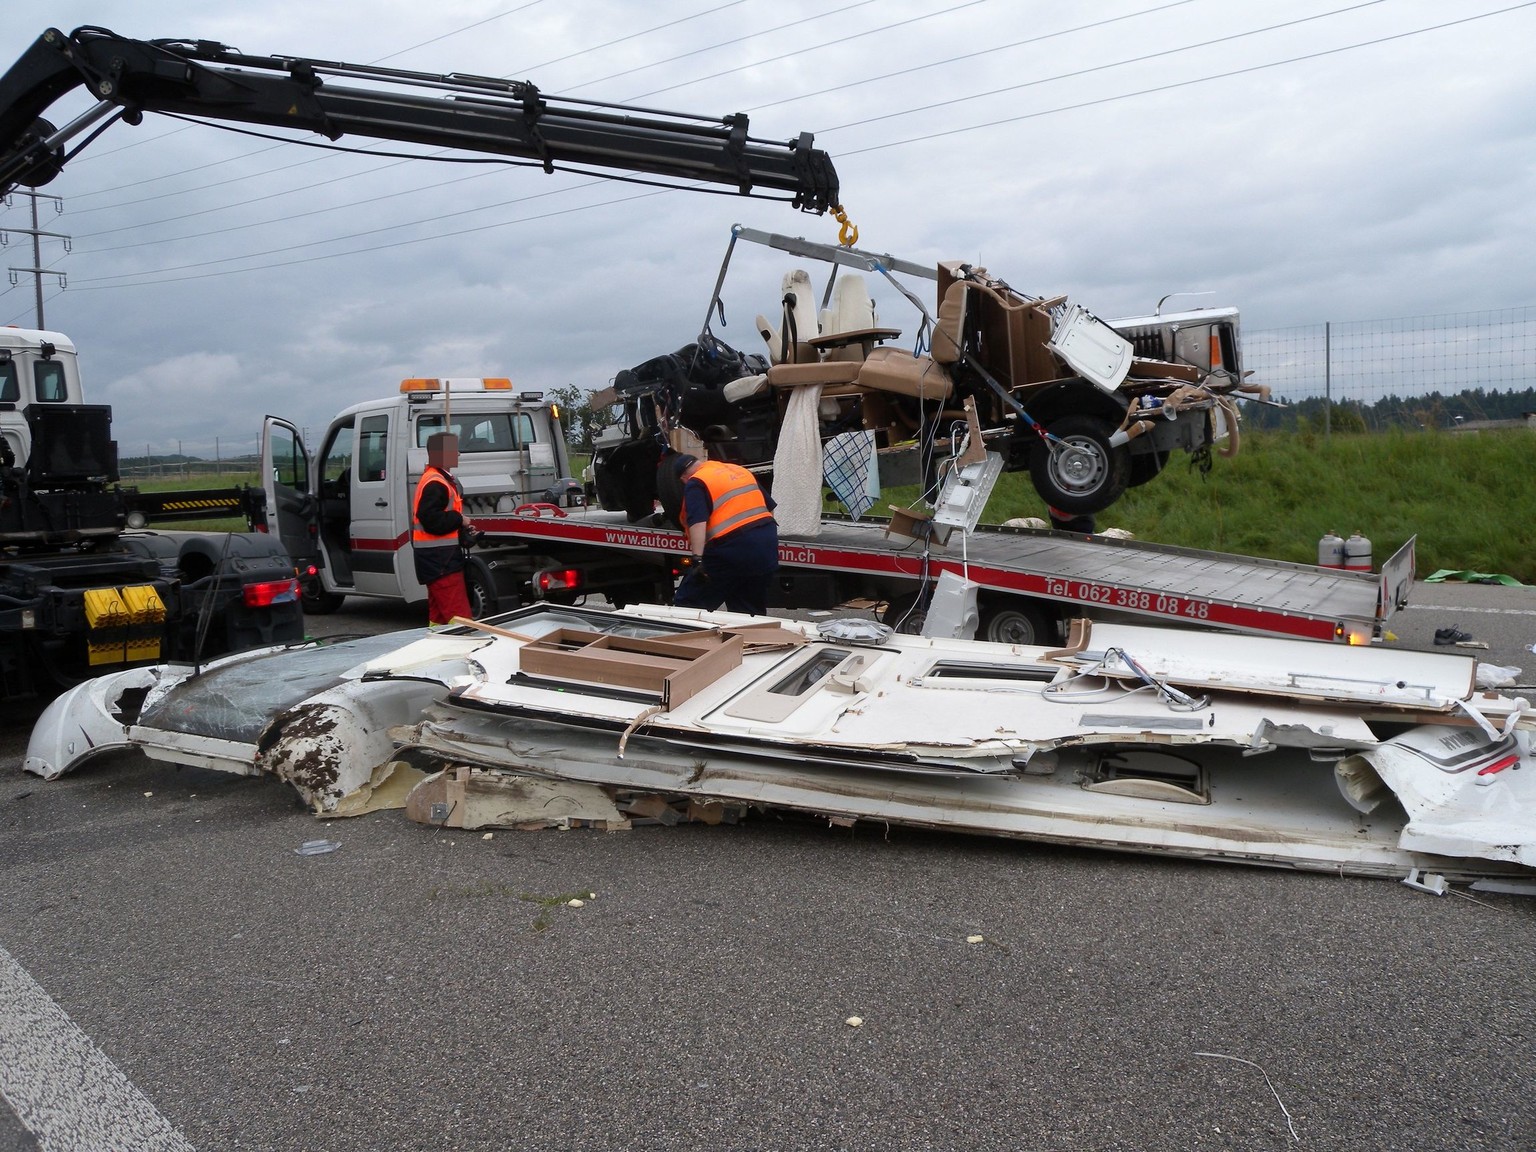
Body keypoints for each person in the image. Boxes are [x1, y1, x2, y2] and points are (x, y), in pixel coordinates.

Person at [667, 453, 779, 616]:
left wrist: (697, 559)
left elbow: (698, 522)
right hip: (766, 547)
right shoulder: (738, 471)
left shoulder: (697, 481)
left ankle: (687, 639)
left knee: (688, 605)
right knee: (748, 612)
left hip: (730, 550)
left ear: (684, 477)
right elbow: (769, 507)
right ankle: (750, 639)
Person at [412, 432, 477, 625]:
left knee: (439, 617)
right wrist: (460, 519)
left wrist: (461, 527)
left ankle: (437, 645)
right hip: (441, 560)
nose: (457, 454)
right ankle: (464, 648)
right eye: (452, 450)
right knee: (460, 619)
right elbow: (431, 519)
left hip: (436, 558)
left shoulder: (437, 479)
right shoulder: (436, 482)